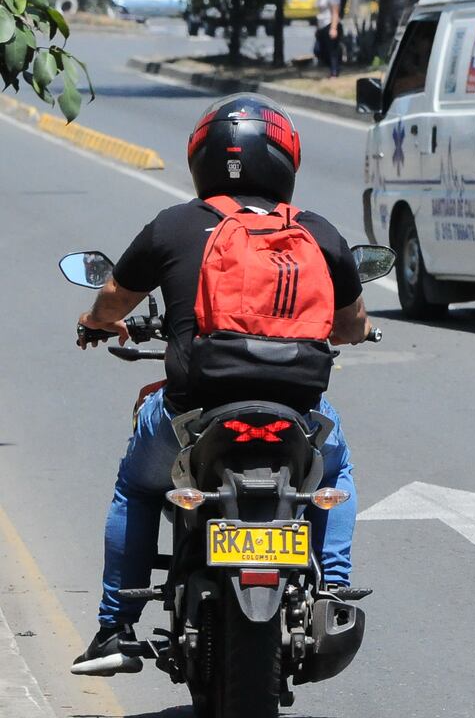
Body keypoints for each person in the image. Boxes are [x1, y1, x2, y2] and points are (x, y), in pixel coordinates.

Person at [69, 93, 372, 677]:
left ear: (201, 159)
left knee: (137, 485)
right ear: (285, 161)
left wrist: (95, 325)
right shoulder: (319, 232)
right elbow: (353, 325)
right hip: (298, 415)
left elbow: (113, 302)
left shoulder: (173, 225)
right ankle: (332, 591)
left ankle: (116, 629)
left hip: (192, 416)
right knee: (337, 471)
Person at [315, 0, 342, 78]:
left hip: (329, 24)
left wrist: (333, 28)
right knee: (318, 50)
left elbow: (335, 12)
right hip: (321, 26)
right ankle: (331, 68)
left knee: (332, 51)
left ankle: (334, 72)